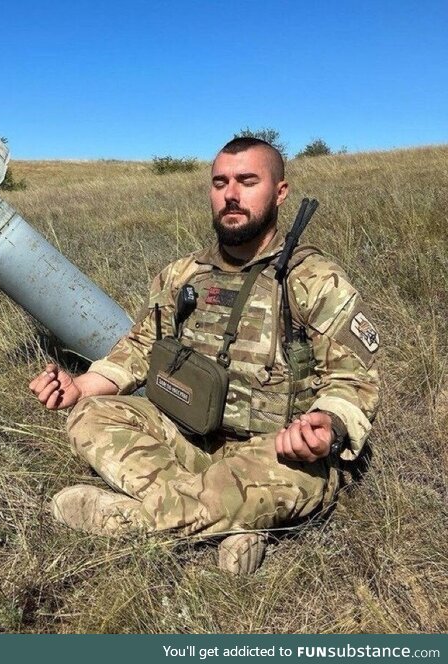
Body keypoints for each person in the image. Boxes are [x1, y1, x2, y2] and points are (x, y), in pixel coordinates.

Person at [29, 137, 380, 574]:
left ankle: (125, 521)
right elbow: (140, 348)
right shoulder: (183, 275)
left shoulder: (313, 279)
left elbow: (354, 379)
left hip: (275, 454)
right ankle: (230, 519)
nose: (231, 194)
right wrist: (81, 386)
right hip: (187, 435)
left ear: (280, 192)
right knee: (89, 415)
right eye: (220, 182)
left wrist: (326, 425)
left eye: (247, 181)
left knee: (279, 479)